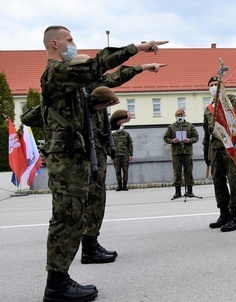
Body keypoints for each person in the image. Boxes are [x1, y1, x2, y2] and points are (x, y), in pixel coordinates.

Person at [40, 25, 167, 302]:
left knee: (73, 217)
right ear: (54, 44)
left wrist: (141, 66)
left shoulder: (68, 80)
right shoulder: (56, 73)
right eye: (69, 40)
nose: (73, 44)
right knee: (66, 219)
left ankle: (60, 280)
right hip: (66, 159)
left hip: (74, 157)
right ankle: (57, 285)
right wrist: (137, 48)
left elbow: (106, 75)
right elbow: (98, 66)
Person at [75, 54, 166, 265]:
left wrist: (115, 126)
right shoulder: (83, 87)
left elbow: (98, 126)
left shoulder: (91, 91)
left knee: (97, 200)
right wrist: (143, 66)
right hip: (84, 153)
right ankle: (87, 247)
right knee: (90, 201)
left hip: (96, 150)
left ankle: (91, 243)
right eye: (89, 64)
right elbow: (116, 77)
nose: (95, 68)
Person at [204, 76, 236, 232]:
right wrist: (206, 155)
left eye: (216, 84)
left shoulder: (232, 100)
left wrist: (224, 107)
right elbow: (206, 135)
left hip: (230, 148)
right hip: (215, 150)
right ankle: (224, 214)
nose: (214, 87)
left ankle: (235, 217)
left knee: (233, 181)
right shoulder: (208, 109)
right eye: (211, 85)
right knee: (218, 182)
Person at [163, 108, 199, 198]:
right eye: (178, 115)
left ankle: (189, 191)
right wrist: (172, 141)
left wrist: (190, 140)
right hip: (176, 153)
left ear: (184, 116)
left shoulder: (190, 126)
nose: (180, 117)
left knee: (188, 171)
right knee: (177, 172)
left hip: (187, 152)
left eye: (181, 115)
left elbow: (196, 137)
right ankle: (177, 191)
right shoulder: (171, 127)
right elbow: (165, 138)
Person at [112, 124, 133, 191]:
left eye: (121, 125)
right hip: (116, 156)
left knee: (125, 171)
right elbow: (110, 145)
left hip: (125, 155)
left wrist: (130, 155)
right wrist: (111, 155)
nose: (120, 127)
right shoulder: (113, 135)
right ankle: (119, 186)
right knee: (117, 171)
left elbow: (130, 144)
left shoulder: (126, 134)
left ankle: (124, 186)